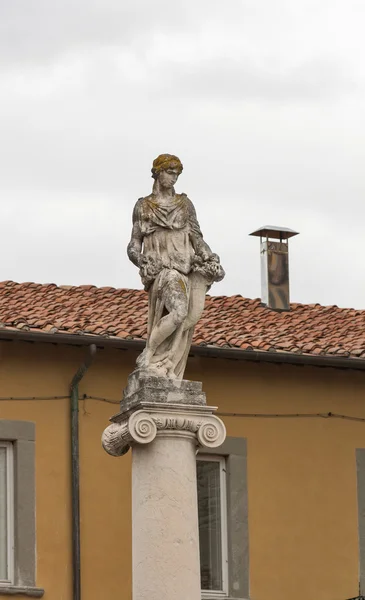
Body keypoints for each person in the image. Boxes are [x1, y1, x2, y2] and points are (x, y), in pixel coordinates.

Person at [127, 153, 225, 379]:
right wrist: (140, 259)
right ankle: (149, 354)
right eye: (169, 173)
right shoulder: (143, 207)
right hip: (163, 271)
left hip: (186, 271)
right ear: (157, 173)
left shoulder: (185, 205)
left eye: (176, 174)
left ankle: (164, 361)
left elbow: (197, 239)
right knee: (180, 312)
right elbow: (133, 245)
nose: (173, 178)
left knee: (190, 318)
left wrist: (210, 258)